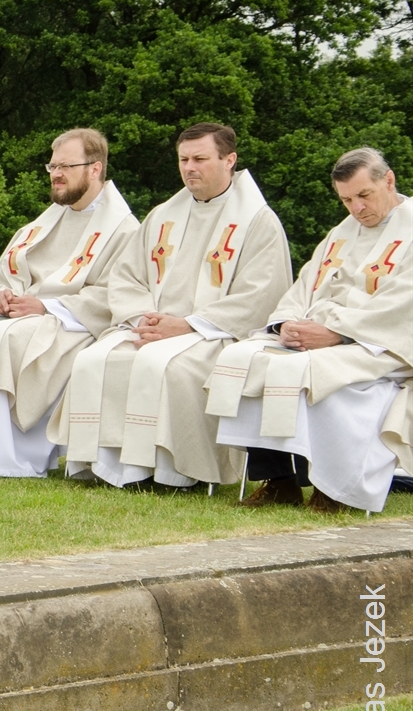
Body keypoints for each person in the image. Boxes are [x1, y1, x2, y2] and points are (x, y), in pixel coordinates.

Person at [50, 123, 291, 489]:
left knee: (167, 368)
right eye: (183, 159)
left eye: (200, 159)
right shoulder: (164, 215)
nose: (189, 167)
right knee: (94, 360)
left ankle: (171, 474)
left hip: (214, 336)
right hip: (149, 327)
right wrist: (145, 319)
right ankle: (104, 468)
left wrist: (188, 325)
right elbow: (127, 276)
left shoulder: (259, 221)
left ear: (230, 160)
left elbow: (260, 295)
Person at [0, 129, 138, 477]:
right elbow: (11, 272)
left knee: (1, 340)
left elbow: (115, 294)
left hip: (73, 323)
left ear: (95, 169)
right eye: (52, 166)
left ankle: (3, 459)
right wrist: (2, 296)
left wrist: (46, 307)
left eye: (66, 166)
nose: (56, 174)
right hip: (24, 313)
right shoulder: (45, 222)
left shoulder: (124, 230)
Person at [208, 148, 413, 513]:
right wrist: (287, 323)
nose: (356, 208)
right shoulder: (343, 231)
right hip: (327, 335)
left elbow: (402, 305)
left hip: (381, 344)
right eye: (346, 199)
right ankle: (279, 482)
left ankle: (331, 489)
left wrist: (337, 333)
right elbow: (305, 284)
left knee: (303, 372)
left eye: (364, 195)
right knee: (243, 358)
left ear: (389, 180)